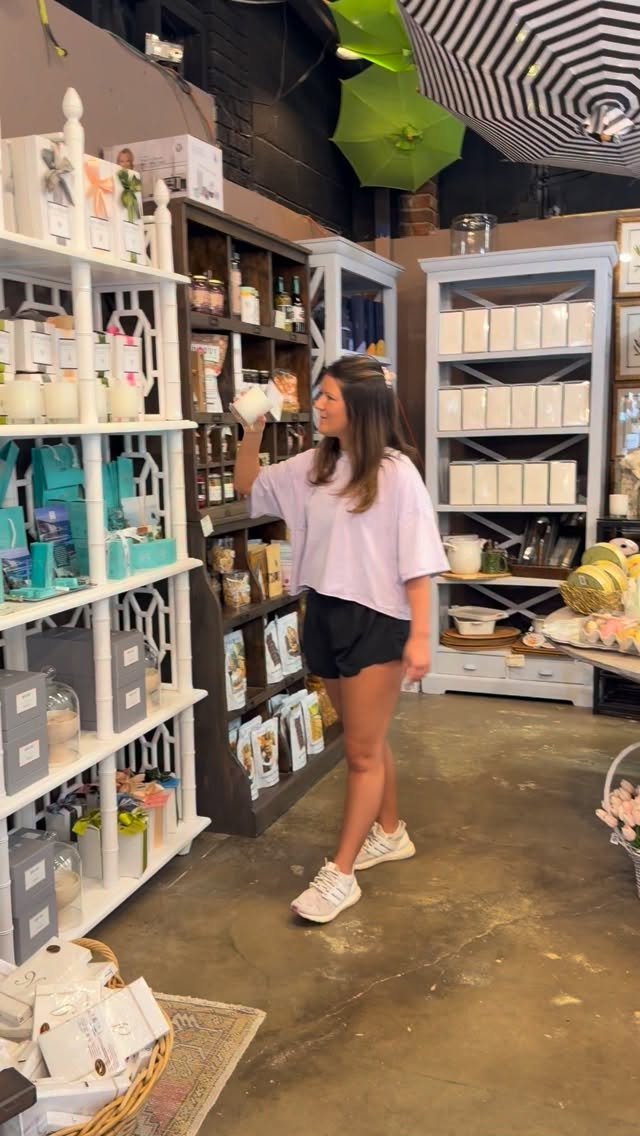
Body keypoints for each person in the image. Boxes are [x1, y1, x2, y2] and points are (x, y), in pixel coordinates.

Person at [234, 354, 447, 924]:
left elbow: (419, 564)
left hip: (378, 619)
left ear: (361, 406)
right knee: (363, 737)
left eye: (329, 396)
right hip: (324, 613)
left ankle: (342, 873)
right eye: (319, 394)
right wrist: (253, 430)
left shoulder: (397, 473)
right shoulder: (316, 465)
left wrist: (421, 636)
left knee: (359, 752)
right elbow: (248, 486)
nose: (318, 405)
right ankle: (390, 832)